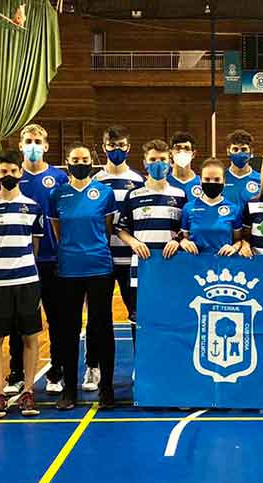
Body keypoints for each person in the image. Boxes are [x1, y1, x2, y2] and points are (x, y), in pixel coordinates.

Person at [48, 144, 118, 409]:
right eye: (75, 159)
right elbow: (58, 231)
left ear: (93, 162)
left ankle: (107, 389)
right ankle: (69, 390)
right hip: (68, 270)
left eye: (85, 159)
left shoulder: (104, 193)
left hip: (99, 267)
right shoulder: (58, 194)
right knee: (69, 329)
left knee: (102, 327)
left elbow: (107, 227)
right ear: (67, 163)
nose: (80, 163)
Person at [0, 151, 44, 419]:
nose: (8, 176)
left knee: (30, 336)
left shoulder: (33, 207)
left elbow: (35, 245)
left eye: (13, 171)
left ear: (20, 173)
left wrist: (24, 264)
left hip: (27, 281)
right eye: (3, 172)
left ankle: (28, 391)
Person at [15, 124, 70, 396]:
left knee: (57, 318)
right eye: (28, 141)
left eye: (38, 141)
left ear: (46, 146)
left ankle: (56, 369)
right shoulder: (12, 176)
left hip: (52, 258)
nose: (33, 145)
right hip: (21, 261)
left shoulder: (59, 178)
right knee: (20, 318)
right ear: (20, 145)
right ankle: (16, 372)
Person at [92, 125, 144, 393]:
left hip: (130, 261)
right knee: (97, 318)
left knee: (137, 314)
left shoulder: (138, 181)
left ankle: (141, 364)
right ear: (103, 148)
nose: (116, 150)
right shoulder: (94, 182)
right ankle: (94, 366)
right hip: (101, 260)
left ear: (129, 147)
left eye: (121, 145)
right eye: (111, 146)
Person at [117, 139, 187, 296]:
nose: (158, 163)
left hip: (171, 263)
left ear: (170, 163)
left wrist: (177, 241)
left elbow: (185, 230)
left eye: (162, 160)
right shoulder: (134, 195)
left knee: (169, 311)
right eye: (153, 160)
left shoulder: (180, 195)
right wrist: (133, 242)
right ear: (145, 163)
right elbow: (121, 229)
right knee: (140, 315)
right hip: (143, 264)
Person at [177, 158, 244, 256]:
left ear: (224, 181)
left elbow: (238, 240)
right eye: (207, 179)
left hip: (224, 266)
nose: (212, 182)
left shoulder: (234, 209)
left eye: (217, 179)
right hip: (195, 266)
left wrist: (234, 247)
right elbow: (184, 237)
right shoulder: (188, 208)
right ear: (200, 181)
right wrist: (183, 242)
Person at [223, 129, 261, 206]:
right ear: (228, 151)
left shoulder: (260, 180)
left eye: (244, 149)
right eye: (235, 149)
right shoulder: (220, 179)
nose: (239, 152)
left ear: (251, 151)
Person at [167, 131, 202, 202]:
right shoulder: (165, 183)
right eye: (178, 148)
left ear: (193, 154)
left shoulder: (202, 183)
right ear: (170, 153)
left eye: (186, 148)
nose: (182, 152)